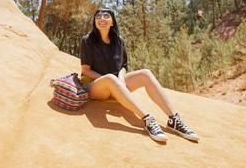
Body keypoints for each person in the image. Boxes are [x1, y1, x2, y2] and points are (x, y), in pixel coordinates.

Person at [80, 8, 199, 142]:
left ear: (112, 22)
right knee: (110, 79)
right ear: (94, 21)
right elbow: (86, 70)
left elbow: (123, 66)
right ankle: (148, 119)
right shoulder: (87, 40)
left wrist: (120, 80)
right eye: (98, 16)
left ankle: (174, 119)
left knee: (145, 74)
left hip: (117, 85)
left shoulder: (119, 41)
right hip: (95, 87)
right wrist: (114, 81)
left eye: (106, 16)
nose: (101, 19)